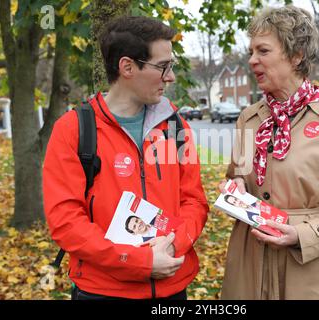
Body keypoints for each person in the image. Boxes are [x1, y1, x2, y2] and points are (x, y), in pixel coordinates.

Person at [43, 15, 209, 300]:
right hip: (103, 291)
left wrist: (172, 245)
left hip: (172, 286)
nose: (170, 76)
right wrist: (138, 261)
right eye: (163, 67)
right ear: (127, 67)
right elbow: (66, 221)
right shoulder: (73, 129)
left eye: (172, 66)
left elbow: (193, 200)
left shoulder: (175, 126)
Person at [219, 5, 319, 300]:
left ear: (296, 55)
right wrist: (235, 188)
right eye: (251, 51)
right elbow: (236, 177)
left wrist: (302, 235)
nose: (252, 60)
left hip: (310, 272)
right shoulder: (248, 119)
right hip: (248, 268)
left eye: (262, 51)